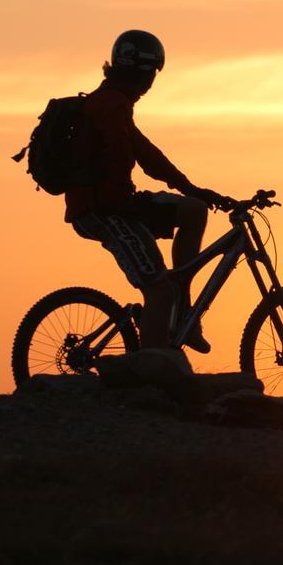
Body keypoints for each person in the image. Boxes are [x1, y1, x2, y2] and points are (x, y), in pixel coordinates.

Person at [65, 30, 233, 352]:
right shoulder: (110, 106)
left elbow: (147, 155)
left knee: (194, 211)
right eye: (152, 73)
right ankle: (155, 369)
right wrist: (128, 207)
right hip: (103, 211)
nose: (152, 82)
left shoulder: (115, 102)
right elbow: (116, 159)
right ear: (140, 72)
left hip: (118, 204)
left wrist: (193, 190)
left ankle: (184, 313)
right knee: (159, 290)